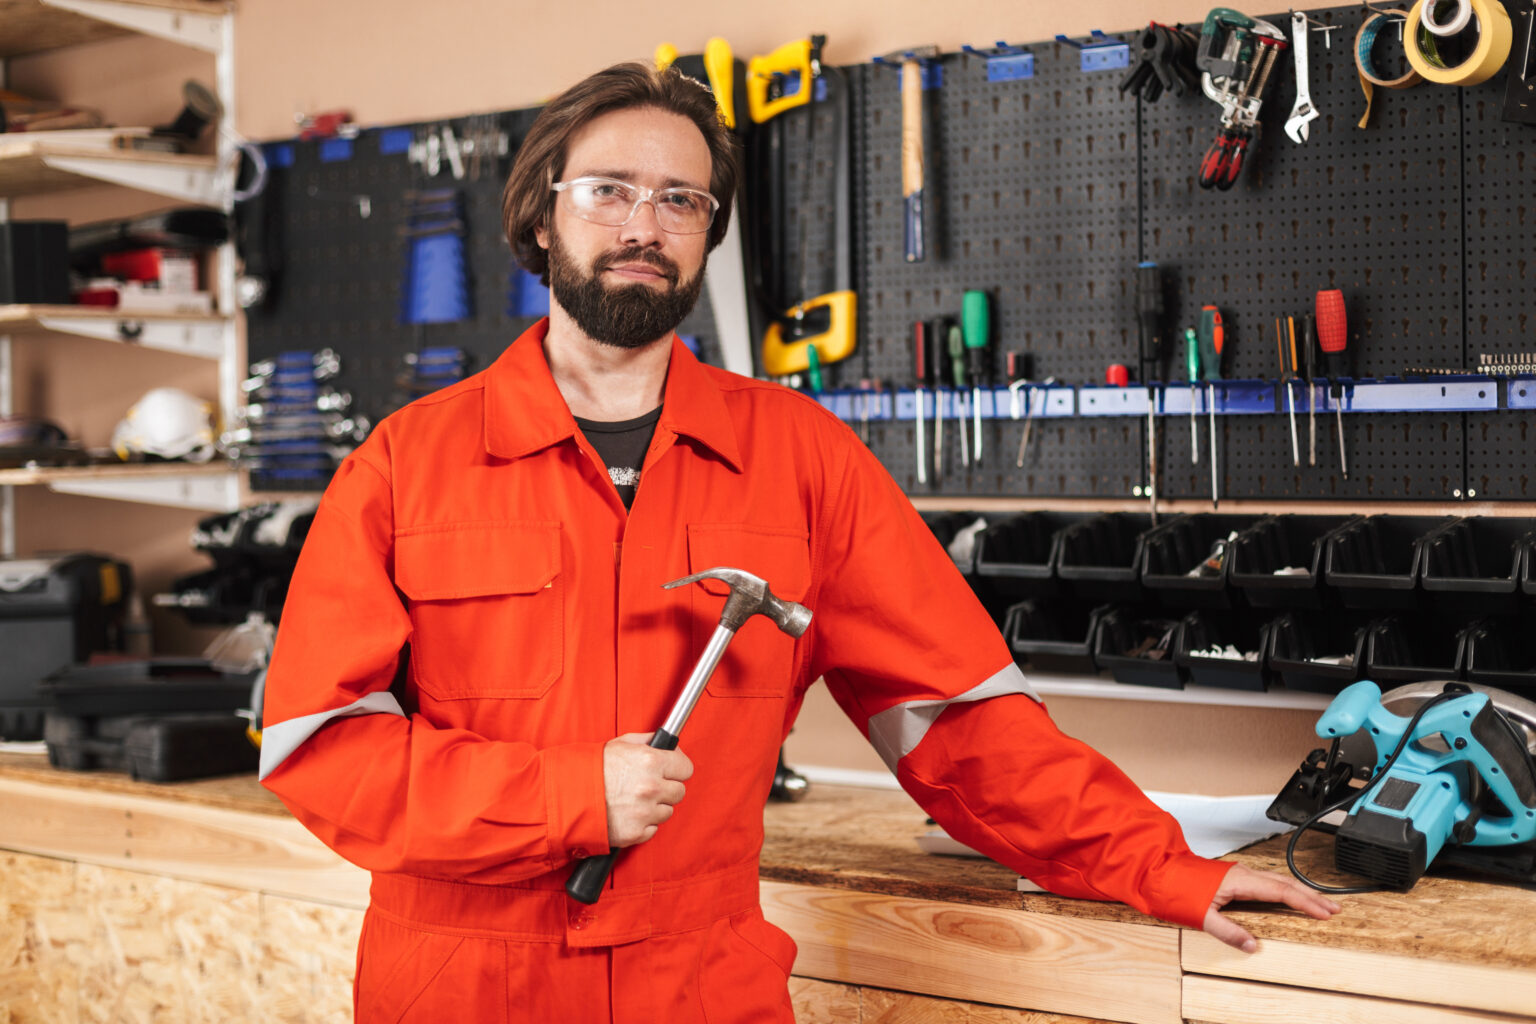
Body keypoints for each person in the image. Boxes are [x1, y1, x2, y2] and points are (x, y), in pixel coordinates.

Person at [259, 61, 1338, 1023]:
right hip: (459, 987)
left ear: (705, 234)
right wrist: (564, 798)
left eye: (681, 199)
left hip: (700, 983)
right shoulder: (408, 463)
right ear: (541, 217)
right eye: (610, 191)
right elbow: (320, 748)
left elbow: (960, 723)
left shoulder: (798, 460)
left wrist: (1161, 864)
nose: (645, 224)